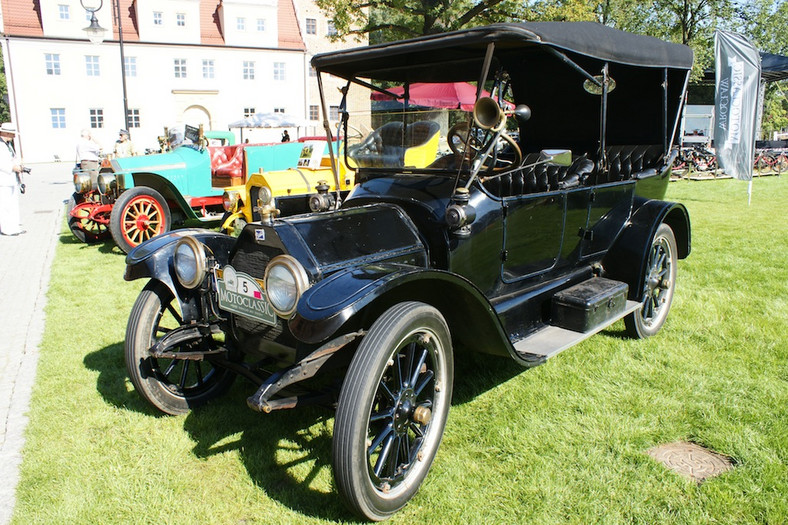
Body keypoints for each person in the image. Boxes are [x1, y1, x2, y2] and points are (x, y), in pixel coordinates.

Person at [0, 122, 24, 236]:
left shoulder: (8, 145)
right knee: (5, 206)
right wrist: (14, 167)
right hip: (3, 180)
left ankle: (15, 227)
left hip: (11, 179)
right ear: (6, 133)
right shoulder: (1, 145)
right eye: (12, 134)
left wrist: (19, 166)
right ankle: (6, 229)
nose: (14, 136)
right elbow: (2, 164)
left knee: (13, 204)